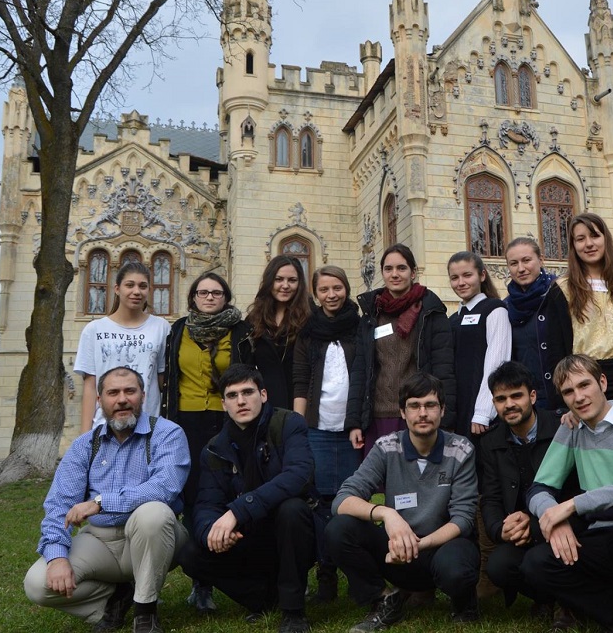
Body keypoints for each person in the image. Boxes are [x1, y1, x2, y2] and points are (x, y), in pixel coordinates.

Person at [23, 367, 189, 633]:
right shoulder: (84, 445)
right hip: (100, 542)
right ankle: (114, 602)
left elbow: (164, 488)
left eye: (129, 391)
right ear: (100, 400)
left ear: (142, 396)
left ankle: (145, 612)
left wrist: (101, 502)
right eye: (113, 393)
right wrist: (56, 558)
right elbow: (59, 504)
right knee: (37, 584)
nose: (122, 399)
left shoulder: (167, 434)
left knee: (154, 514)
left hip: (155, 537)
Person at [523, 354, 613, 633]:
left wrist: (572, 505)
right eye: (568, 392)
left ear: (602, 382)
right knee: (535, 564)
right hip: (601, 537)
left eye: (584, 385)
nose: (578, 397)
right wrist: (554, 518)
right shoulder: (571, 429)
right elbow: (539, 488)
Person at [328, 373, 480, 632]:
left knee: (457, 568)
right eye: (414, 405)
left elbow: (463, 518)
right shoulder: (386, 447)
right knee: (338, 529)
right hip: (395, 552)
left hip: (441, 547)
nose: (423, 413)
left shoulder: (461, 449)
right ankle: (385, 599)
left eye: (430, 405)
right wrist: (387, 514)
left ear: (442, 410)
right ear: (402, 412)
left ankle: (463, 602)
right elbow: (342, 500)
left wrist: (419, 544)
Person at [177, 364, 317, 633]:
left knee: (292, 509)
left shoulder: (288, 423)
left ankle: (293, 611)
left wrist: (238, 511)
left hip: (290, 534)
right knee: (191, 552)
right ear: (224, 403)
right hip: (245, 538)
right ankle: (263, 599)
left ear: (263, 395)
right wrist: (211, 532)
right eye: (232, 395)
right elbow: (207, 503)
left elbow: (299, 475)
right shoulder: (215, 448)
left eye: (248, 392)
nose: (241, 401)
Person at [161, 270, 253, 613]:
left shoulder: (240, 331)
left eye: (216, 292)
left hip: (228, 420)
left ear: (225, 297)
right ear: (193, 298)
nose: (210, 297)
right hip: (186, 422)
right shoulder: (178, 331)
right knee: (194, 493)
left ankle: (237, 560)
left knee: (230, 490)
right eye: (203, 292)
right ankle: (202, 581)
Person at [475, 361, 577, 626]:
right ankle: (544, 597)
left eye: (516, 395)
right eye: (501, 399)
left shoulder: (561, 429)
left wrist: (533, 523)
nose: (509, 404)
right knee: (499, 566)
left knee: (540, 557)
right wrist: (501, 529)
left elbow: (573, 490)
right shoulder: (490, 442)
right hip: (519, 532)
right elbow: (491, 497)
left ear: (532, 396)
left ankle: (569, 604)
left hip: (564, 524)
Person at [292, 265, 364, 603]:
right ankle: (326, 572)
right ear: (316, 293)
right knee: (321, 503)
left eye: (337, 288)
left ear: (346, 289)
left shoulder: (361, 327)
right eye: (324, 289)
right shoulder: (308, 332)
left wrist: (358, 422)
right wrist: (298, 426)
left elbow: (367, 375)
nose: (331, 295)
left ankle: (358, 571)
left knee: (350, 501)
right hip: (318, 429)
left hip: (351, 430)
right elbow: (301, 378)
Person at [350, 244, 454, 453]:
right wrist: (354, 421)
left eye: (401, 268)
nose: (394, 274)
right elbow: (361, 369)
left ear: (413, 272)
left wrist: (445, 420)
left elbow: (444, 370)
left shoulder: (431, 313)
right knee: (380, 483)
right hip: (376, 418)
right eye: (388, 269)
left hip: (418, 416)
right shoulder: (372, 315)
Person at [75, 260, 171, 432]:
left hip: (147, 427)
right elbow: (90, 386)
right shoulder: (94, 330)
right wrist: (85, 436)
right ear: (117, 289)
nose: (136, 291)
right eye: (130, 285)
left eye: (143, 286)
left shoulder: (161, 327)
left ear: (149, 290)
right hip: (105, 427)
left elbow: (162, 380)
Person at [560, 213, 613, 410]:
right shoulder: (563, 289)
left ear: (605, 238)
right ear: (573, 246)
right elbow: (559, 347)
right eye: (580, 239)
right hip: (582, 381)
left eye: (595, 236)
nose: (589, 244)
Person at [446, 251, 511, 437]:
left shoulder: (495, 310)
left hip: (481, 415)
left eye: (467, 275)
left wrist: (483, 412)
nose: (461, 282)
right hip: (459, 408)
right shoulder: (453, 319)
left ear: (482, 275)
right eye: (454, 278)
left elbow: (497, 363)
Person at [504, 237, 571, 413]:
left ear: (540, 260)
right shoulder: (505, 307)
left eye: (526, 260)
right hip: (529, 406)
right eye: (513, 263)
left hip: (566, 399)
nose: (521, 268)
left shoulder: (560, 294)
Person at [246, 255, 313, 412]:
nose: (285, 285)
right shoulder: (254, 319)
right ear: (270, 281)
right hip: (264, 406)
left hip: (301, 405)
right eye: (279, 279)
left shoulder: (311, 317)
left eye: (292, 280)